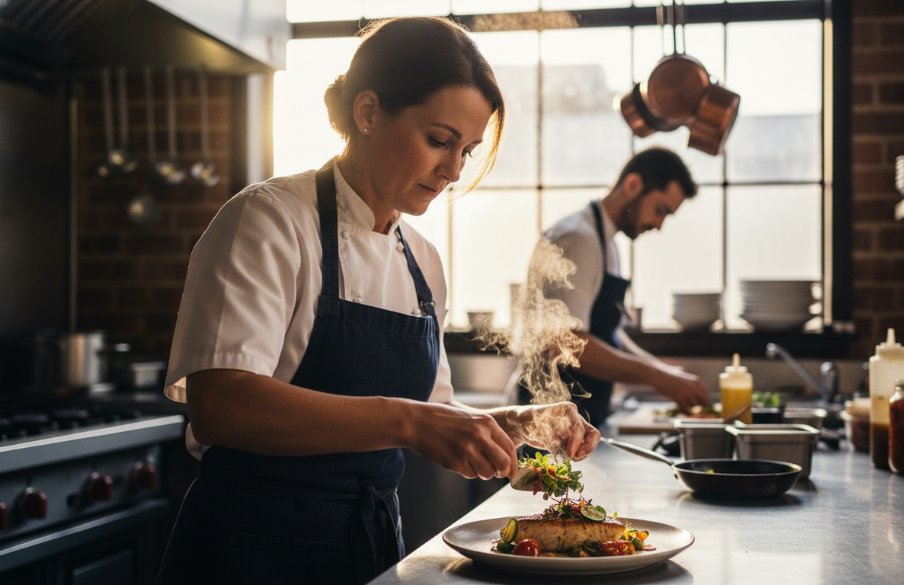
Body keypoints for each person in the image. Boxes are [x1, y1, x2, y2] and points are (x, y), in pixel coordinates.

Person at [156, 17, 599, 585]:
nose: (453, 171)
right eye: (439, 141)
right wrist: (409, 422)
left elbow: (435, 413)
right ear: (367, 113)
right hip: (250, 549)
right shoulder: (267, 220)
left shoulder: (422, 260)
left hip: (369, 548)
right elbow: (222, 406)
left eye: (467, 150)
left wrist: (514, 426)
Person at [518, 148, 709, 427]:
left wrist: (662, 370)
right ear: (633, 185)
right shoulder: (576, 238)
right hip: (550, 421)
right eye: (660, 210)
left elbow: (608, 334)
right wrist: (657, 377)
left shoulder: (606, 243)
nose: (658, 225)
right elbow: (562, 343)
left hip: (584, 416)